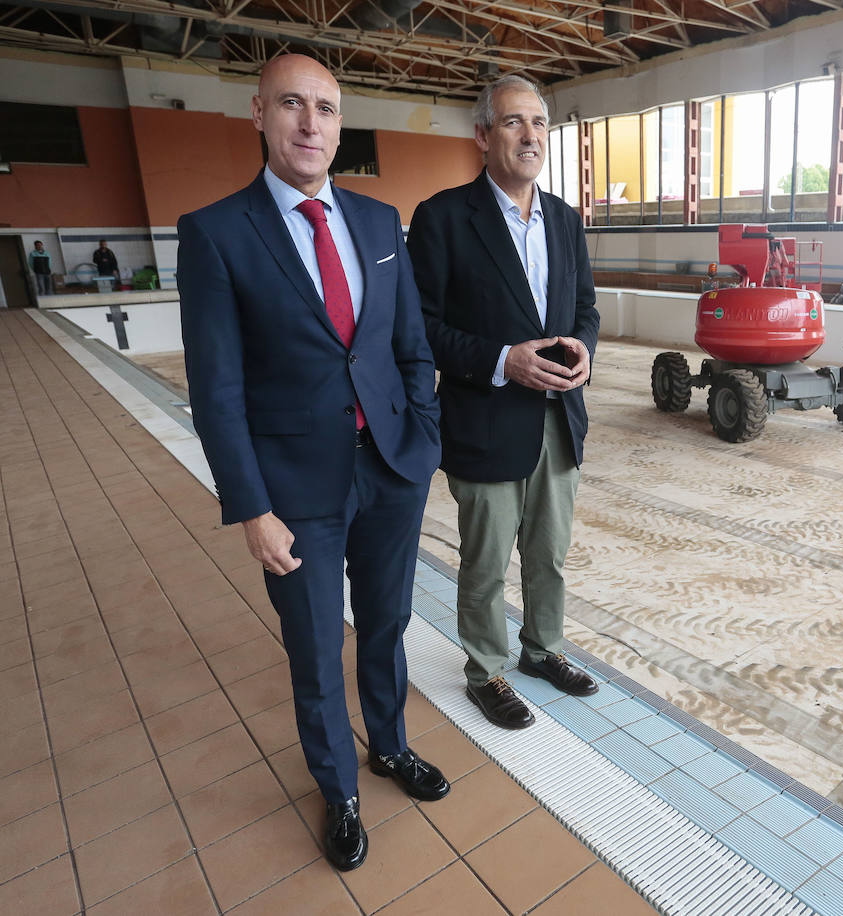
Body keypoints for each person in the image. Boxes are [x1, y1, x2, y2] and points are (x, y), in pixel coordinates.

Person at [177, 54, 448, 873]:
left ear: (340, 125)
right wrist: (251, 508)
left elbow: (410, 347)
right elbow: (216, 390)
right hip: (296, 492)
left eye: (325, 109)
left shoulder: (376, 220)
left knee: (389, 627)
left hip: (391, 469)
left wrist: (424, 439)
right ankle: (341, 790)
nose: (309, 123)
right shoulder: (217, 233)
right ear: (258, 114)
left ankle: (390, 747)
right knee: (313, 647)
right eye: (292, 105)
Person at [407, 75, 600, 731]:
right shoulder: (443, 218)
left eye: (540, 124)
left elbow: (588, 313)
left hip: (557, 421)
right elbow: (422, 326)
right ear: (483, 135)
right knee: (486, 561)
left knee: (548, 555)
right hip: (486, 420)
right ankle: (485, 670)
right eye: (514, 123)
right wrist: (501, 360)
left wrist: (585, 352)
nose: (530, 136)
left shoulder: (567, 222)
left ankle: (543, 651)